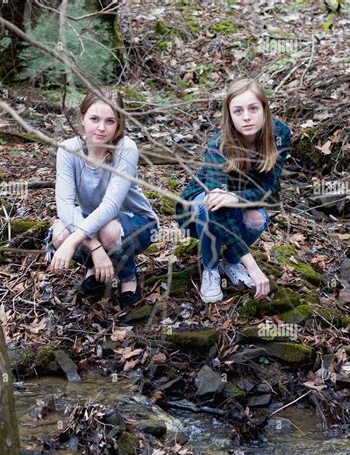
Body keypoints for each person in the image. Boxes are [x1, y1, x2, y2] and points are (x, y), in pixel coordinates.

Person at [176, 77, 291, 304]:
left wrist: (235, 197)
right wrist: (254, 266)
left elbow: (268, 191)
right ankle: (210, 269)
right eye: (238, 111)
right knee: (209, 207)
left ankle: (230, 261)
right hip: (195, 210)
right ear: (229, 115)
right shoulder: (218, 145)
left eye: (253, 108)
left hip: (240, 199)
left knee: (258, 218)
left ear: (265, 110)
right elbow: (216, 208)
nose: (246, 117)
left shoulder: (280, 134)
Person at [48, 87, 159, 308]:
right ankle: (96, 267)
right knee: (60, 235)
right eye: (94, 119)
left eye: (110, 121)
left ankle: (127, 277)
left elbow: (110, 206)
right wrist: (94, 247)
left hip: (136, 222)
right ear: (82, 119)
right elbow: (65, 205)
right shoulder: (68, 150)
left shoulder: (126, 149)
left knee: (108, 231)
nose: (101, 128)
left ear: (118, 123)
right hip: (94, 222)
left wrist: (78, 240)